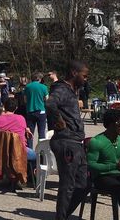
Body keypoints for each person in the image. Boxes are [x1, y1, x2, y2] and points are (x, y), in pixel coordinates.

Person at [45, 60, 89, 220]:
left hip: (76, 142)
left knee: (83, 183)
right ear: (73, 73)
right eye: (84, 76)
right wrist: (59, 121)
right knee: (68, 184)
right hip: (66, 141)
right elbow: (50, 104)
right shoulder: (62, 89)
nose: (86, 79)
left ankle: (63, 214)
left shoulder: (71, 91)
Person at [0, 98, 36, 162]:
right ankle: (31, 171)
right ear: (16, 108)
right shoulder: (21, 119)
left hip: (1, 152)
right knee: (37, 156)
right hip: (19, 151)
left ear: (4, 107)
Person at [24, 72, 49, 148]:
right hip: (41, 111)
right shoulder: (44, 87)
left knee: (30, 132)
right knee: (41, 132)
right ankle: (41, 151)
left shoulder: (27, 87)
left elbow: (25, 100)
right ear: (39, 79)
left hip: (30, 110)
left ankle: (30, 151)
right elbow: (47, 99)